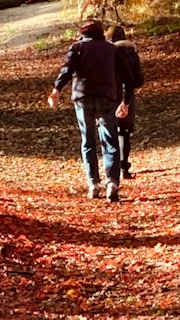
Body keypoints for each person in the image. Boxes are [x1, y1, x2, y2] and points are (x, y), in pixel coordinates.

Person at [47, 19, 124, 202]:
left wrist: (56, 90)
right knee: (110, 140)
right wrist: (125, 101)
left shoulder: (77, 47)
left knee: (88, 141)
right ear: (100, 34)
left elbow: (67, 69)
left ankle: (93, 184)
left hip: (83, 97)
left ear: (83, 33)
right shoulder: (112, 49)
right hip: (106, 97)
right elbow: (123, 75)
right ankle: (112, 182)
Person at [109, 24, 144, 179]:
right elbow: (138, 80)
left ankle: (112, 168)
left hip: (109, 94)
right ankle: (124, 166)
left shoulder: (106, 53)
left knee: (109, 131)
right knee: (124, 132)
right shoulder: (131, 52)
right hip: (126, 96)